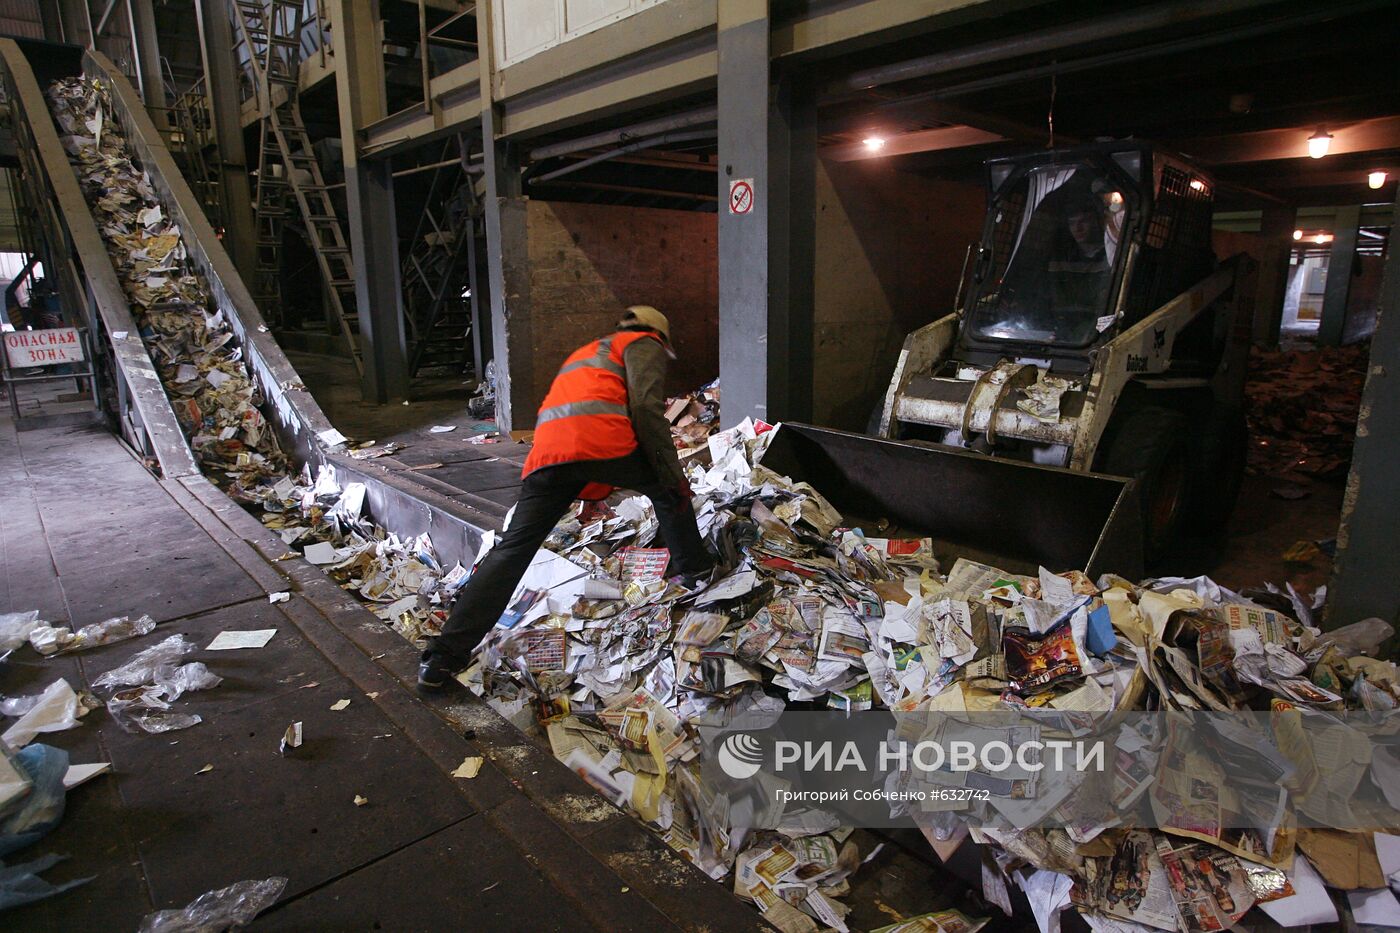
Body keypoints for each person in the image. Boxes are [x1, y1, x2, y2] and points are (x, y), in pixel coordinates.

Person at [418, 305, 716, 689]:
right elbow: (644, 406)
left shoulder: (585, 353)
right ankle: (696, 572)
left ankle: (442, 658)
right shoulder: (643, 343)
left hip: (547, 458)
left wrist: (588, 487)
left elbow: (567, 416)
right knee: (668, 491)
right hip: (604, 445)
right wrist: (669, 468)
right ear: (658, 335)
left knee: (512, 551)